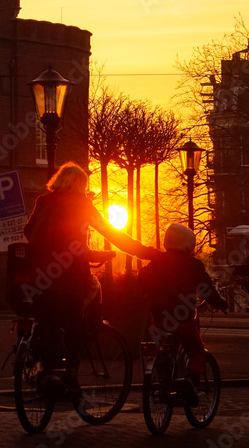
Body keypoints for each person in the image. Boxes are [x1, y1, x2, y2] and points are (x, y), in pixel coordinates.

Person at [23, 161, 157, 387]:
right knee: (78, 311)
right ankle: (71, 372)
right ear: (81, 185)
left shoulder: (43, 201)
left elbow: (29, 231)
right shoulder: (82, 205)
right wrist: (147, 253)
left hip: (39, 278)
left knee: (48, 318)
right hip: (71, 279)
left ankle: (45, 368)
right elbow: (112, 234)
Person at [138, 222, 228, 405]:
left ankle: (162, 375)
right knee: (196, 351)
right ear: (189, 244)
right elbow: (205, 289)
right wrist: (220, 304)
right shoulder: (193, 265)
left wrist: (147, 293)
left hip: (159, 318)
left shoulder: (157, 261)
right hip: (183, 319)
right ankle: (190, 381)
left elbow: (142, 278)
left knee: (161, 345)